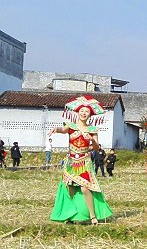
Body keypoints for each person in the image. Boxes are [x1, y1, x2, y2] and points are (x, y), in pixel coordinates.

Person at [49, 95, 112, 224]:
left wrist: (91, 139)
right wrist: (56, 129)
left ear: (90, 115)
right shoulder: (71, 126)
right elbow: (63, 129)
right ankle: (71, 215)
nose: (84, 113)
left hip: (84, 162)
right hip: (71, 161)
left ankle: (93, 216)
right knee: (70, 188)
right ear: (77, 112)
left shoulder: (92, 129)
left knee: (85, 188)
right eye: (82, 111)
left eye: (86, 112)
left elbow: (95, 147)